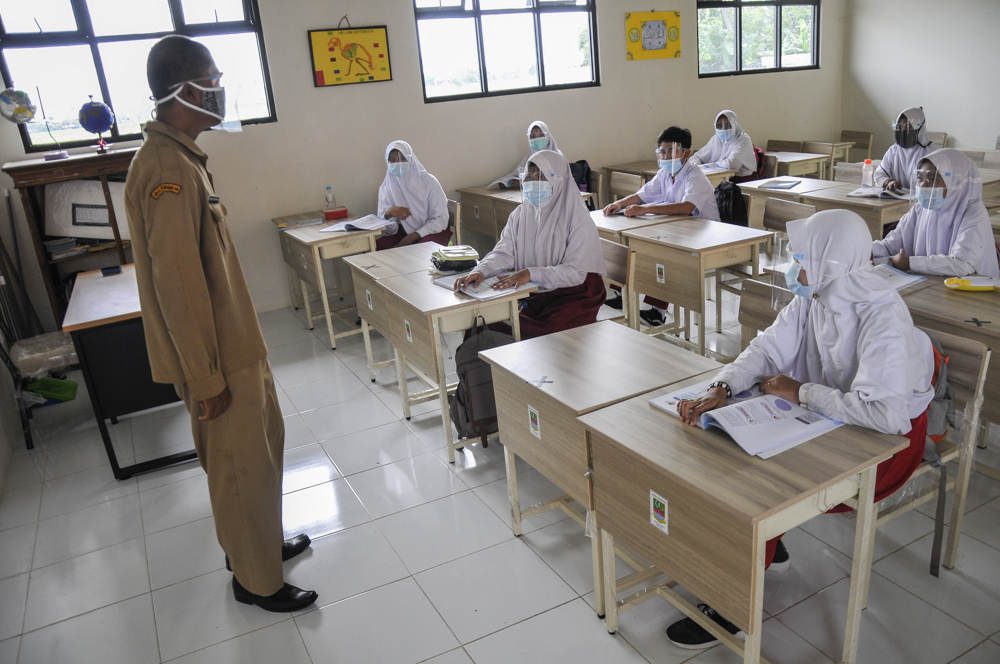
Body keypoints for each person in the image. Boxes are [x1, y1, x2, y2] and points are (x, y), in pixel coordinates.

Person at [666, 209, 935, 649]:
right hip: (835, 416)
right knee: (739, 447)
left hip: (889, 444)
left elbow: (887, 416)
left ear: (831, 262)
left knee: (764, 476)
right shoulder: (815, 295)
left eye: (802, 258)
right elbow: (767, 348)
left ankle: (736, 596)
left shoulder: (882, 317)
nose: (793, 267)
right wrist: (723, 385)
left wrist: (803, 392)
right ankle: (766, 548)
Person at [124, 35, 317, 613]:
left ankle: (258, 543)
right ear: (183, 91)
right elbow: (178, 289)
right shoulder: (166, 169)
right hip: (217, 358)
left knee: (259, 455)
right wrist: (206, 379)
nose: (220, 90)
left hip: (236, 344)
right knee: (238, 468)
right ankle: (256, 581)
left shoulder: (182, 158)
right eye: (212, 80)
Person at [455, 149, 605, 339]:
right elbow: (504, 252)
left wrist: (530, 273)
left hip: (575, 294)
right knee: (481, 322)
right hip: (535, 290)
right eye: (530, 176)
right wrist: (481, 270)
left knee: (537, 337)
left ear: (558, 180)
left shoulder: (577, 218)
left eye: (541, 177)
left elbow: (575, 273)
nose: (534, 183)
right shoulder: (521, 214)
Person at [603, 126, 720, 326]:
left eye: (670, 151)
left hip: (704, 236)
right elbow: (643, 194)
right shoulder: (665, 174)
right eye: (662, 151)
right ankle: (623, 293)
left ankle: (657, 311)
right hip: (679, 229)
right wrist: (619, 204)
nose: (665, 156)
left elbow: (687, 207)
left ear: (686, 153)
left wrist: (645, 210)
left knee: (660, 252)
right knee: (629, 243)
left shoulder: (695, 175)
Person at [872, 148, 999, 279]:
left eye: (932, 178)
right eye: (920, 178)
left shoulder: (974, 213)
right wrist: (866, 250)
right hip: (934, 286)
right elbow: (889, 246)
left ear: (955, 182)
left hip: (976, 291)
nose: (923, 185)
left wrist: (910, 263)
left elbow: (963, 264)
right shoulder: (920, 209)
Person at [376, 140, 451, 250]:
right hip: (403, 231)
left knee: (420, 251)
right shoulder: (386, 187)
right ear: (387, 162)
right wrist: (389, 212)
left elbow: (441, 219)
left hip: (432, 231)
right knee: (379, 246)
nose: (398, 163)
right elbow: (388, 229)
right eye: (393, 160)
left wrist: (413, 236)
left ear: (411, 158)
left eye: (402, 159)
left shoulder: (429, 182)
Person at [874, 106, 938, 191]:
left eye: (908, 128)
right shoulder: (893, 151)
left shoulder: (932, 152)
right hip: (895, 201)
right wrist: (888, 182)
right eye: (899, 127)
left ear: (919, 129)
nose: (903, 131)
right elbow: (879, 174)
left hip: (921, 201)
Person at [489, 120, 561, 189]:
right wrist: (507, 182)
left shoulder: (557, 156)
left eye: (541, 135)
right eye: (533, 136)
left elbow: (557, 179)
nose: (537, 139)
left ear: (548, 136)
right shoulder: (530, 156)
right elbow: (518, 172)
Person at [688, 109, 757, 180]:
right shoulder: (715, 139)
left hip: (741, 178)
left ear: (734, 124)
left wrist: (711, 165)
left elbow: (732, 164)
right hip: (720, 176)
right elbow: (697, 157)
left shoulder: (743, 139)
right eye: (719, 125)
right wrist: (696, 165)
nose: (723, 129)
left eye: (727, 125)